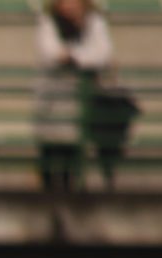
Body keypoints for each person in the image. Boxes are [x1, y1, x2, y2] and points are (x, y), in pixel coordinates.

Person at [34, 0, 116, 194]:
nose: (68, 5)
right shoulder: (49, 23)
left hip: (81, 99)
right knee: (52, 148)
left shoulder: (94, 23)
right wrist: (83, 58)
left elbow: (103, 54)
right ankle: (50, 193)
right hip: (53, 100)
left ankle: (72, 192)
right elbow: (51, 53)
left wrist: (72, 57)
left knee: (74, 148)